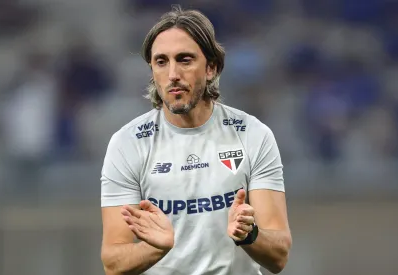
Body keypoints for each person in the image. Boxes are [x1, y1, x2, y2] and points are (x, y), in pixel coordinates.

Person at [100, 6, 292, 275]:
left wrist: (249, 235)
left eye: (185, 59)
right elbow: (112, 262)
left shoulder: (251, 134)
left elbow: (279, 255)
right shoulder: (128, 143)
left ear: (211, 68)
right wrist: (156, 248)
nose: (173, 74)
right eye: (161, 62)